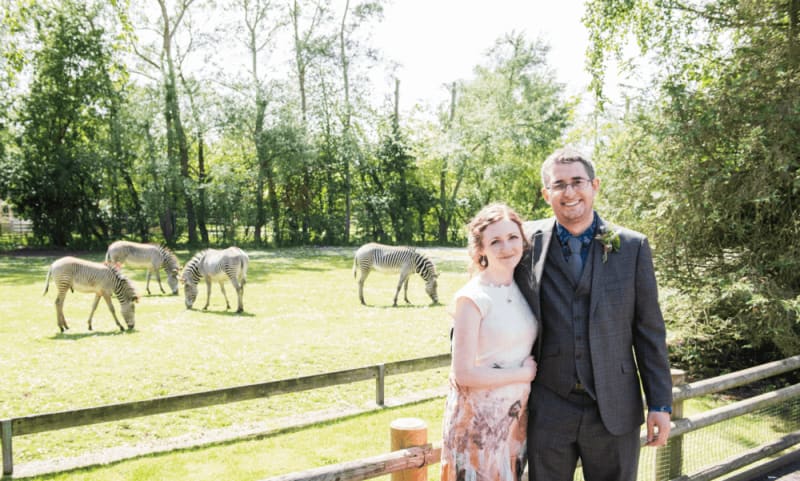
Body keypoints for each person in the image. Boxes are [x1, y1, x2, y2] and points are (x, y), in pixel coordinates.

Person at [514, 147, 673, 481]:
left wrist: (660, 403)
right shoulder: (524, 244)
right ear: (546, 194)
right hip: (549, 405)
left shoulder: (632, 246)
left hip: (614, 405)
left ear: (595, 185)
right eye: (559, 185)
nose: (569, 192)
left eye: (577, 182)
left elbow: (649, 331)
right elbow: (493, 291)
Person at [440, 203, 539, 481]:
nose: (506, 247)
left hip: (512, 422)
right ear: (480, 249)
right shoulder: (472, 298)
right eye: (495, 241)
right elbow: (463, 373)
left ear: (523, 240)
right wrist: (523, 374)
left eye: (512, 238)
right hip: (477, 426)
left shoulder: (522, 289)